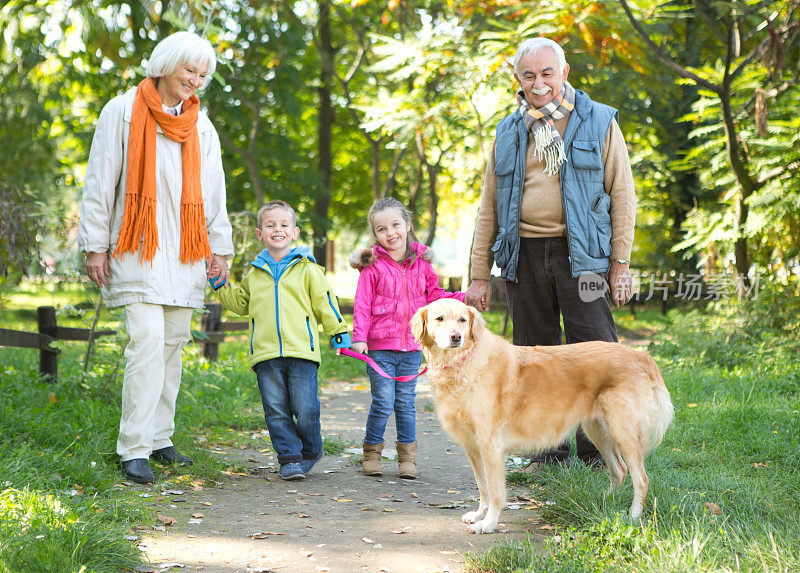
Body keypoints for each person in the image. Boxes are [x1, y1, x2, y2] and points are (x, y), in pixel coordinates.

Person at [465, 37, 637, 468]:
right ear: (518, 79)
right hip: (522, 255)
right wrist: (479, 273)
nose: (538, 83)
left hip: (588, 257)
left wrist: (620, 264)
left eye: (546, 73)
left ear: (564, 73)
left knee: (595, 347)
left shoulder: (599, 121)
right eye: (529, 74)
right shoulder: (508, 129)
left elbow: (623, 195)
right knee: (532, 355)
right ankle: (547, 452)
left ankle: (600, 453)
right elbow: (489, 204)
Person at [78, 31, 234, 484]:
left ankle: (161, 438)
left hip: (185, 253)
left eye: (203, 75)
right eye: (190, 70)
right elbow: (100, 180)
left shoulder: (201, 126)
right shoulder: (122, 111)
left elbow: (214, 193)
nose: (196, 81)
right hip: (137, 247)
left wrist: (219, 247)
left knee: (172, 346)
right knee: (145, 342)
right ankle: (134, 447)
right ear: (166, 64)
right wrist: (94, 245)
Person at [209, 200, 351, 481]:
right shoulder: (254, 274)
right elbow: (240, 304)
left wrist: (338, 331)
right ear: (260, 234)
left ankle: (310, 450)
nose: (278, 229)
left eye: (284, 225)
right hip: (266, 354)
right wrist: (220, 285)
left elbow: (326, 302)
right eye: (270, 225)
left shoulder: (308, 269)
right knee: (276, 410)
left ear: (295, 232)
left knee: (306, 408)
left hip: (302, 351)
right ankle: (289, 458)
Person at [349, 197, 466, 479]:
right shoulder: (372, 267)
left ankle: (407, 460)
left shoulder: (422, 266)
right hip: (379, 348)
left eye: (395, 225)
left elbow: (436, 297)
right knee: (383, 400)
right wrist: (359, 337)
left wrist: (464, 298)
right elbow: (362, 304)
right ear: (375, 234)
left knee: (405, 402)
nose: (390, 233)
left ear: (407, 225)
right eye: (381, 229)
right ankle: (372, 454)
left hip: (412, 348)